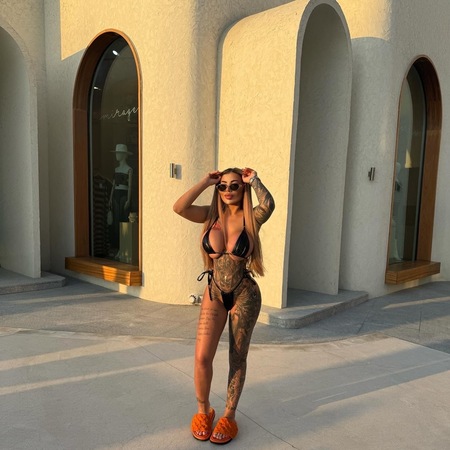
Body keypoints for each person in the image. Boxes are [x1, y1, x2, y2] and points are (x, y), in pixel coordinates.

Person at [173, 167, 275, 444]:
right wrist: (206, 182)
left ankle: (229, 415)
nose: (228, 190)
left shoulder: (252, 217)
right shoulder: (210, 215)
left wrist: (254, 180)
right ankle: (203, 410)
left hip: (244, 294)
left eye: (234, 185)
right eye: (223, 186)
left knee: (237, 357)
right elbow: (179, 208)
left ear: (242, 189)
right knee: (201, 357)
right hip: (214, 292)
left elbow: (268, 204)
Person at [109, 144, 133, 252]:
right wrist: (110, 198)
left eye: (118, 153)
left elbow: (130, 186)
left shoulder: (129, 169)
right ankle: (116, 246)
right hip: (116, 194)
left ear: (123, 155)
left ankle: (123, 247)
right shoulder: (116, 169)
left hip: (124, 194)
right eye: (116, 153)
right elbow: (113, 185)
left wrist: (128, 199)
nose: (117, 155)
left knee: (123, 219)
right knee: (115, 220)